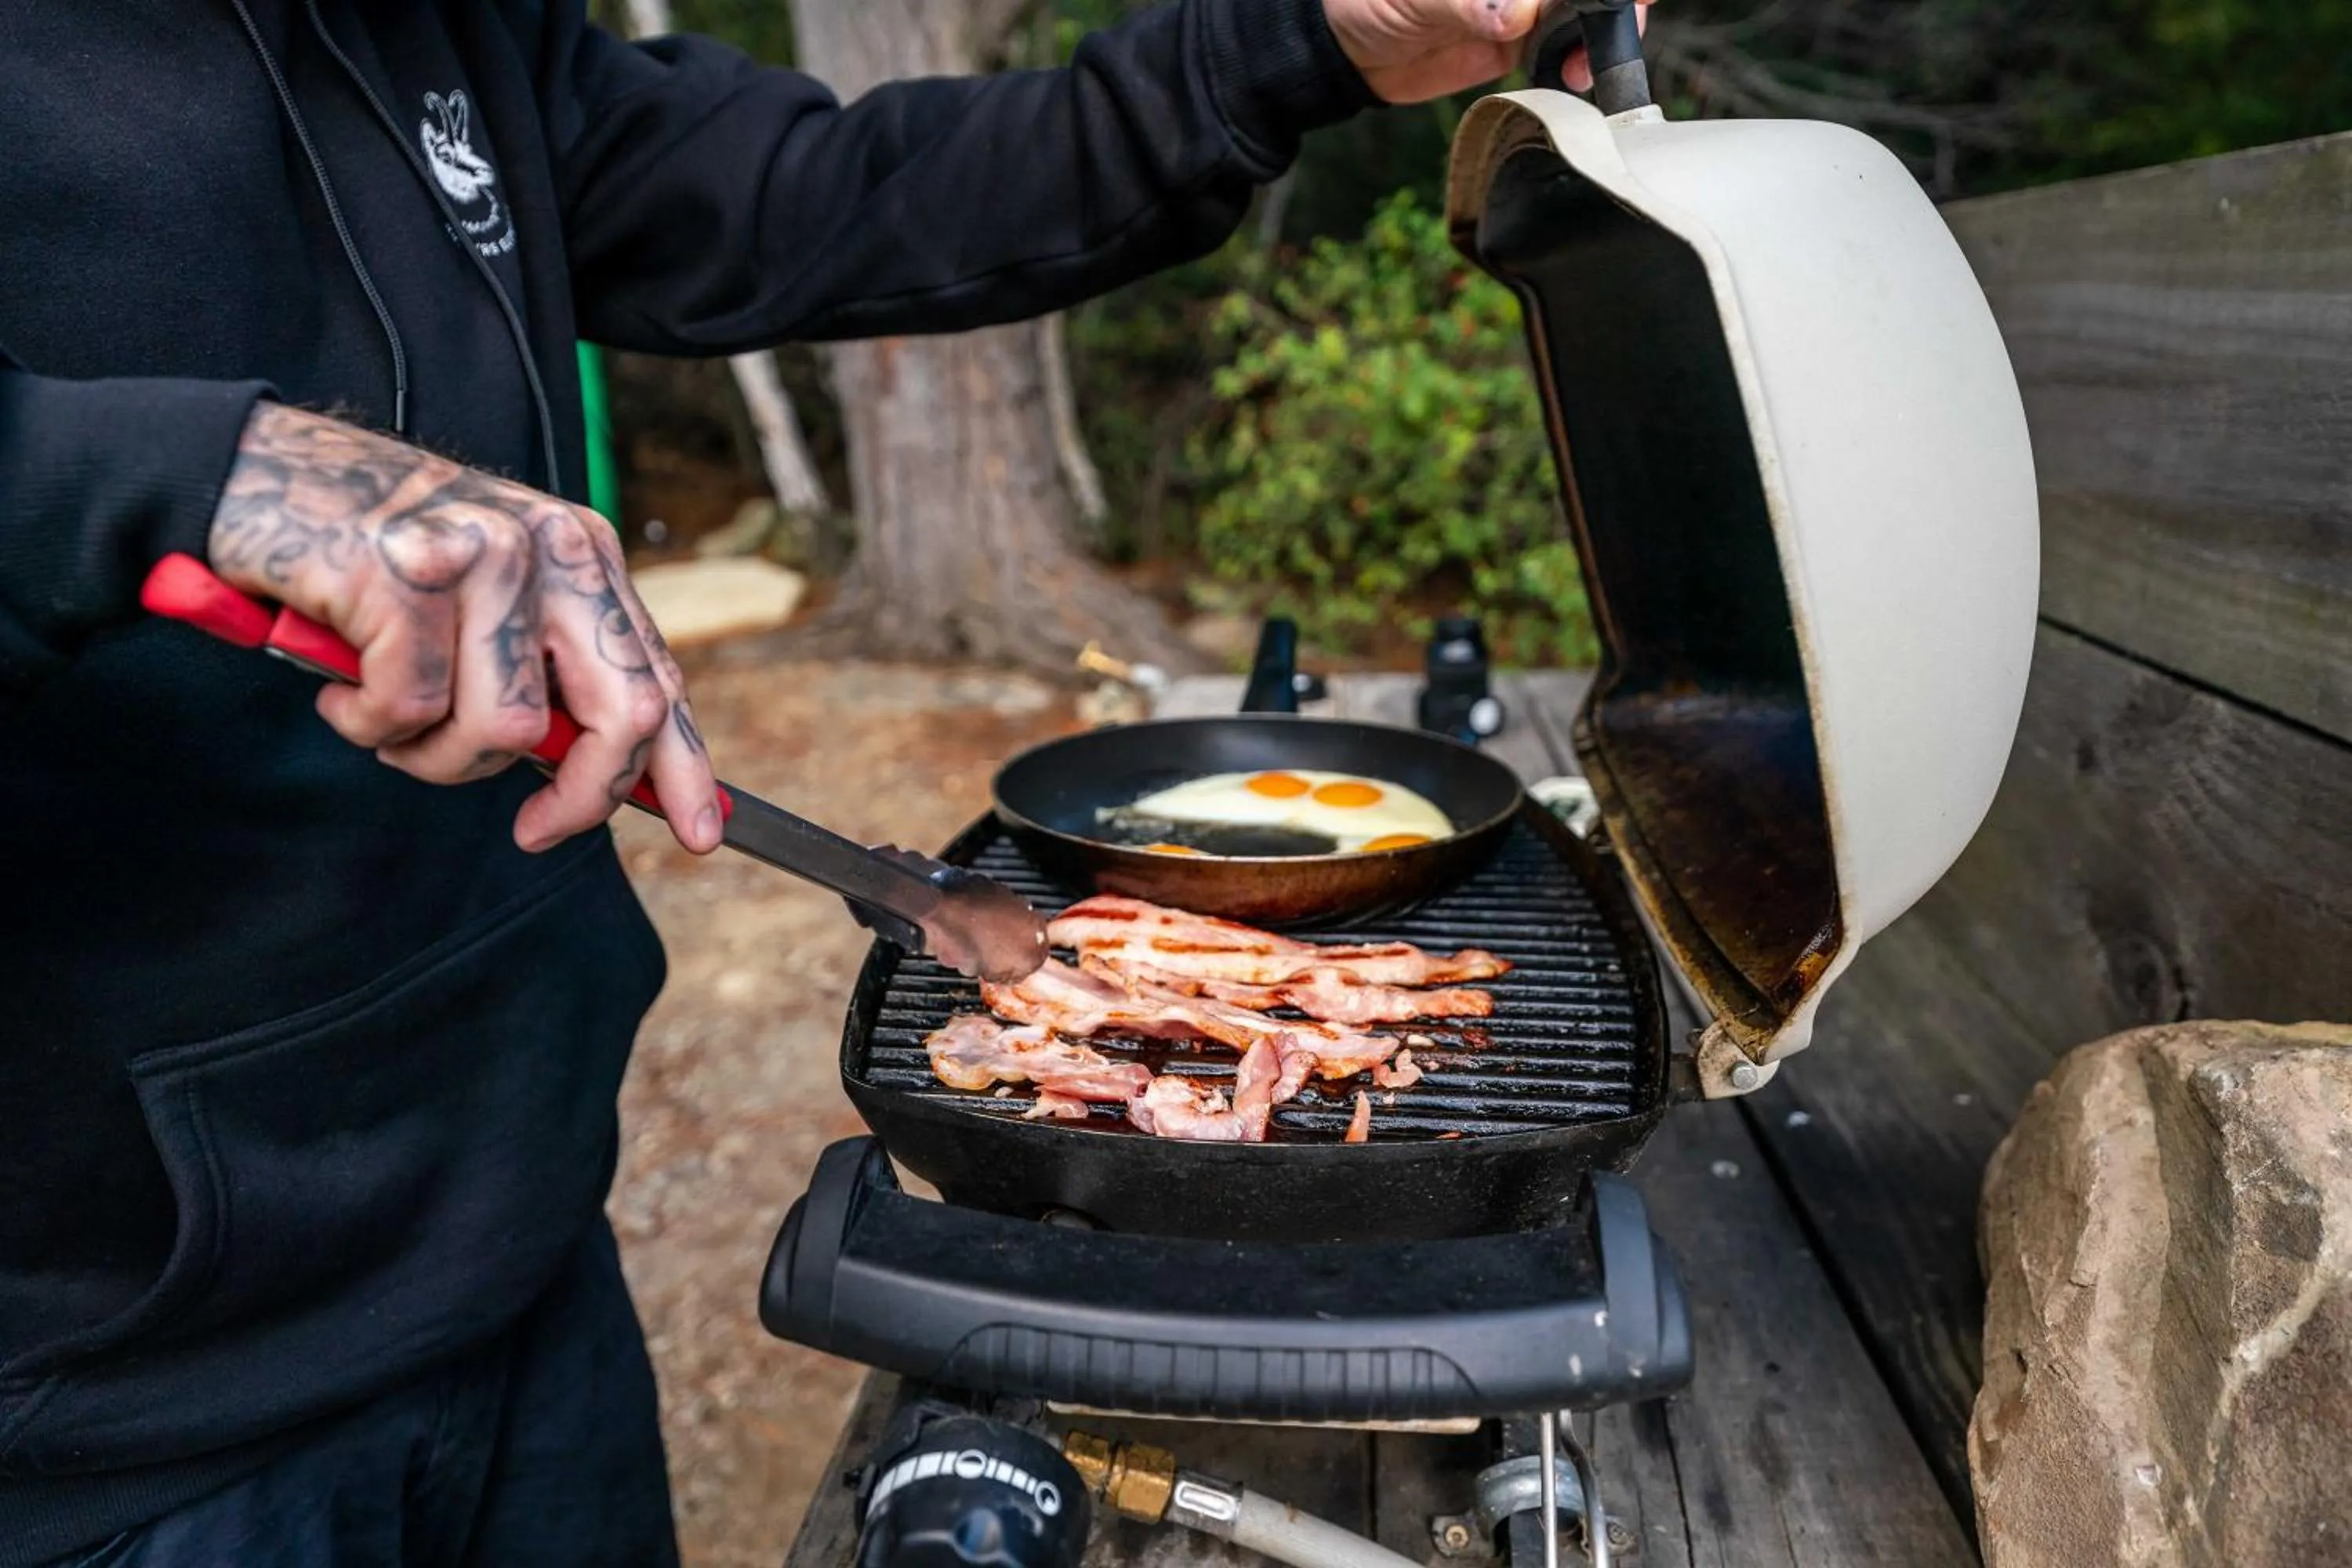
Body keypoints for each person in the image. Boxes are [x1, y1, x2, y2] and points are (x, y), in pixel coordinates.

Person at [0, 1, 1620, 1562]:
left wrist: (1301, 41)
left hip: (517, 1265)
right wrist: (172, 471)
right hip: (102, 1406)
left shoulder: (450, 29)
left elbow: (836, 190)